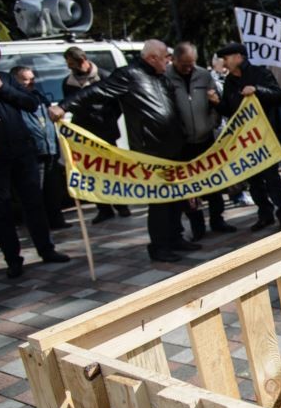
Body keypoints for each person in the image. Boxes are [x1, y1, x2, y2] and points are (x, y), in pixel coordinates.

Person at [50, 40, 192, 263]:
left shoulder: (160, 76)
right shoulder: (129, 74)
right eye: (165, 56)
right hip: (150, 150)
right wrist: (64, 106)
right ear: (152, 58)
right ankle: (159, 246)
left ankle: (176, 238)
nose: (169, 60)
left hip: (172, 146)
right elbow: (96, 91)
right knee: (160, 201)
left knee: (175, 197)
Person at [0, 43, 70, 278]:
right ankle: (13, 260)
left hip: (23, 151)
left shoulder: (5, 79)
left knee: (34, 203)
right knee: (1, 210)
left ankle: (47, 249)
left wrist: (2, 87)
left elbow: (31, 102)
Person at [216, 42, 281, 231]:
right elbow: (228, 109)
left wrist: (257, 90)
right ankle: (264, 214)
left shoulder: (261, 73)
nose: (224, 62)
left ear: (238, 57)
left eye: (226, 58)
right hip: (245, 140)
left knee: (272, 179)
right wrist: (216, 103)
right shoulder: (229, 82)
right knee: (255, 181)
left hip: (265, 138)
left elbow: (278, 95)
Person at [165, 42, 237, 238]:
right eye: (184, 64)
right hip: (183, 143)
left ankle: (217, 219)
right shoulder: (166, 78)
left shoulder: (204, 76)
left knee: (213, 182)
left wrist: (212, 122)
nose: (188, 68)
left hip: (205, 138)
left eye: (192, 64)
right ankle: (197, 225)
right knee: (190, 188)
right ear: (175, 61)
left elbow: (216, 102)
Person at [62, 46, 130, 224]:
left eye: (74, 64)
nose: (72, 68)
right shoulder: (68, 82)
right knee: (93, 172)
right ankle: (103, 208)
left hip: (105, 131)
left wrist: (106, 118)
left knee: (113, 170)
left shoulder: (105, 76)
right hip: (85, 132)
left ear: (83, 60)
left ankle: (121, 204)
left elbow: (117, 105)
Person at [11, 66, 68, 230]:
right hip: (33, 153)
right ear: (15, 82)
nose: (31, 83)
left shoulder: (39, 97)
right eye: (26, 79)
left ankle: (57, 221)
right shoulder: (15, 101)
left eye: (32, 78)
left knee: (54, 191)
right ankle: (39, 227)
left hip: (50, 150)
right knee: (35, 195)